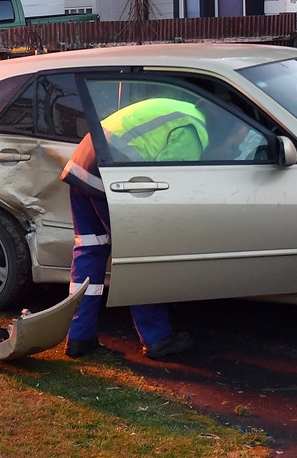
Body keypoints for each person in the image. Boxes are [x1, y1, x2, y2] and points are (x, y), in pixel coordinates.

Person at [61, 96, 201, 361]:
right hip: (110, 175)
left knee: (90, 250)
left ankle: (79, 337)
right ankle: (158, 338)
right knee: (141, 255)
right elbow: (170, 179)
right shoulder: (194, 128)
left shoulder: (176, 106)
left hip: (82, 166)